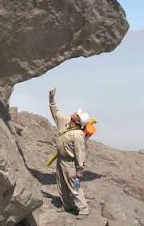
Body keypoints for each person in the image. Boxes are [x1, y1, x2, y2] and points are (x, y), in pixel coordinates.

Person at [49, 88, 89, 219]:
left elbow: (80, 153)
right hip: (61, 160)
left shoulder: (78, 135)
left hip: (70, 163)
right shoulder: (65, 122)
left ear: (77, 121)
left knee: (74, 186)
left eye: (77, 114)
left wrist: (80, 169)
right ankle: (68, 206)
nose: (74, 113)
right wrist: (52, 100)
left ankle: (83, 209)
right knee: (61, 184)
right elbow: (56, 113)